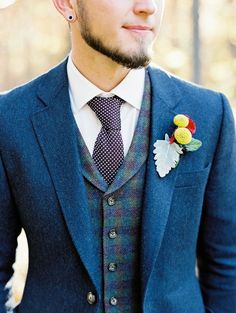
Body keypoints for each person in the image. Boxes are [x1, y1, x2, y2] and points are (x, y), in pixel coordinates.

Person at [0, 0, 235, 312]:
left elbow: (227, 266)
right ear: (67, 3)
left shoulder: (209, 113)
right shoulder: (11, 119)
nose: (148, 6)